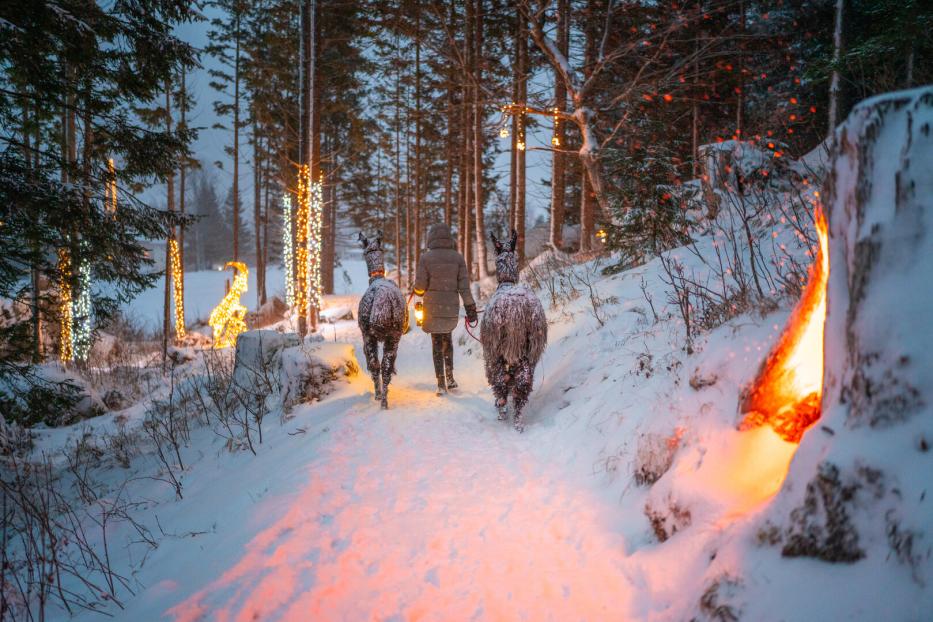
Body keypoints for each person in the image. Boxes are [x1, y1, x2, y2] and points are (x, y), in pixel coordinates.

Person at [413, 223, 478, 395]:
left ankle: (441, 383)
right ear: (449, 237)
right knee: (447, 340)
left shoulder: (425, 258)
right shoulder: (457, 258)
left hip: (432, 307)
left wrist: (418, 290)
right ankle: (450, 377)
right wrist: (470, 307)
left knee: (436, 343)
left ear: (431, 238)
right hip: (449, 307)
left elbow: (420, 287)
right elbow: (464, 287)